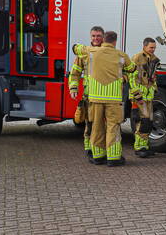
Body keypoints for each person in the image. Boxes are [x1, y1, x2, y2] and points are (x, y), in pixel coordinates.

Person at [84, 30, 136, 166]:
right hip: (113, 99)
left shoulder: (91, 52)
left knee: (96, 127)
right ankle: (113, 158)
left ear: (103, 40)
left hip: (95, 98)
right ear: (115, 41)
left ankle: (98, 156)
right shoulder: (121, 55)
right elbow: (132, 68)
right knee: (113, 127)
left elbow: (76, 49)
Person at [68, 26, 105, 159]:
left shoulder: (107, 52)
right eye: (93, 36)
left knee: (102, 124)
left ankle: (99, 148)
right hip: (89, 95)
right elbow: (75, 73)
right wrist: (73, 88)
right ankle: (88, 148)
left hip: (103, 96)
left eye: (98, 36)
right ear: (90, 37)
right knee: (89, 123)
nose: (96, 38)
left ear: (103, 37)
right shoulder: (83, 54)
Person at [131, 37, 160, 158]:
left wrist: (154, 89)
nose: (153, 50)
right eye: (151, 47)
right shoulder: (137, 58)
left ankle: (145, 146)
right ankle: (139, 147)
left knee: (148, 121)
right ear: (144, 47)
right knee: (142, 122)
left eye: (154, 48)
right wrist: (137, 95)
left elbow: (153, 78)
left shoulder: (154, 60)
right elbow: (132, 78)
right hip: (140, 97)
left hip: (148, 96)